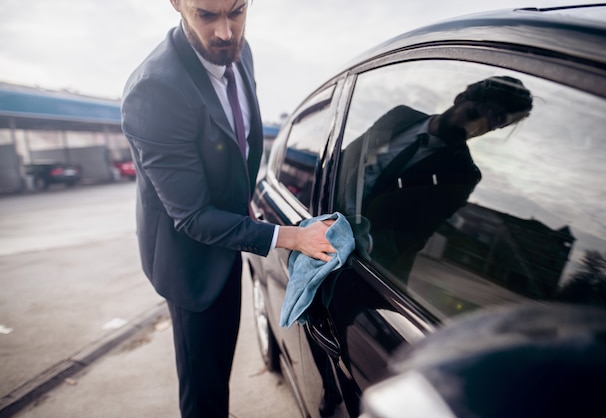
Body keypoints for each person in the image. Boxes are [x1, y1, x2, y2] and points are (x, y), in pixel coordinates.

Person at [121, 1, 335, 417]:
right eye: (206, 14)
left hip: (229, 235)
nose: (225, 32)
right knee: (205, 391)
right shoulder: (155, 90)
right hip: (189, 264)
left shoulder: (241, 51)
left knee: (221, 370)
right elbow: (192, 216)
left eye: (236, 11)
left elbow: (237, 140)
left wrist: (245, 211)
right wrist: (289, 237)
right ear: (177, 5)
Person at [336, 76, 533, 280]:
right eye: (472, 114)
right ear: (460, 98)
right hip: (323, 221)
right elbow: (346, 160)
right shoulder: (400, 116)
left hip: (363, 269)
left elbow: (408, 237)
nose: (471, 129)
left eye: (487, 126)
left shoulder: (463, 175)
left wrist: (351, 241)